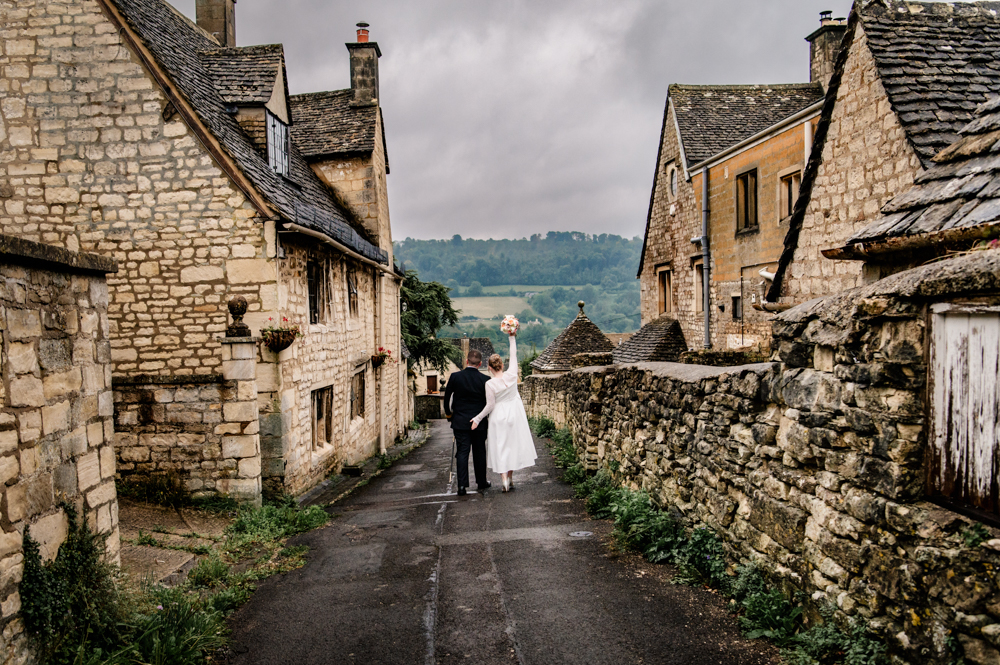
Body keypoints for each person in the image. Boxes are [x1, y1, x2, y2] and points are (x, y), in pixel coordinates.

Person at [470, 333, 537, 492]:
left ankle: (504, 480)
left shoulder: (490, 384)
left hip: (498, 417)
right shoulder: (512, 374)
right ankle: (511, 477)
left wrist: (477, 419)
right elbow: (513, 354)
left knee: (500, 448)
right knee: (512, 446)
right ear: (502, 365)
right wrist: (512, 336)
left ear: (490, 368)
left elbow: (490, 405)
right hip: (514, 415)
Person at [443, 348, 492, 496]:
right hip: (480, 422)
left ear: (466, 361)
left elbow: (446, 398)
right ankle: (481, 482)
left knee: (462, 452)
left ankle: (462, 486)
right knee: (479, 452)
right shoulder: (485, 380)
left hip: (460, 422)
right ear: (480, 363)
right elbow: (489, 402)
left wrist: (449, 415)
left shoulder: (455, 377)